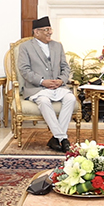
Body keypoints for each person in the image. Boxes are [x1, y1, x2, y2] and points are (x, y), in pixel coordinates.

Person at [17, 16, 77, 152]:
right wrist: (42, 81)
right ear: (36, 32)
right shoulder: (25, 47)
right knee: (44, 101)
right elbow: (24, 70)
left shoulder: (57, 45)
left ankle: (56, 138)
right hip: (37, 88)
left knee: (71, 98)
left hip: (58, 86)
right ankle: (63, 139)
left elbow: (65, 67)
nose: (50, 32)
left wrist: (61, 80)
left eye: (50, 29)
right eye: (46, 30)